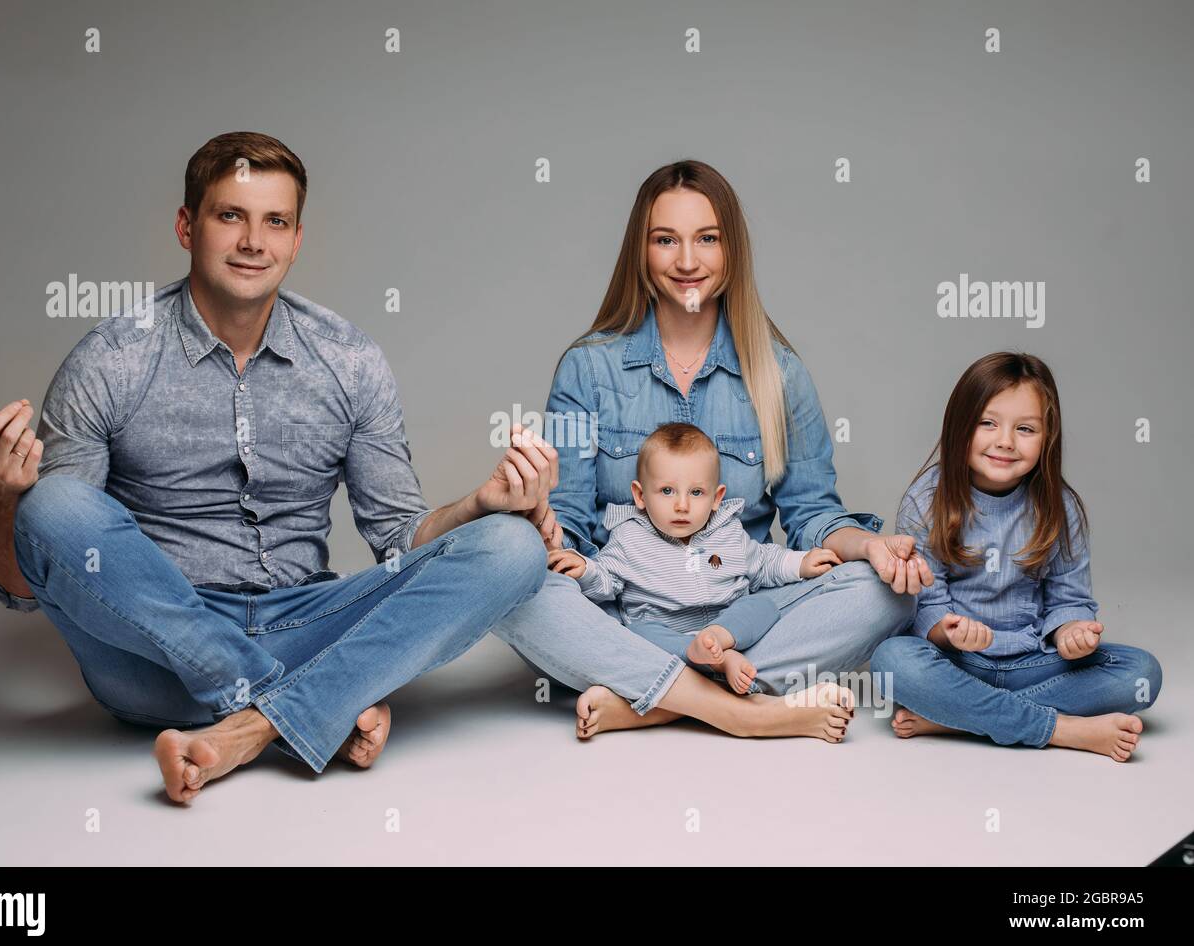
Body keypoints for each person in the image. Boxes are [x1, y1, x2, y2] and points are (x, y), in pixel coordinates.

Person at [0, 131, 557, 803]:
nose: (254, 241)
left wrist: (480, 506)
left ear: (297, 239)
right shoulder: (109, 360)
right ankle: (310, 707)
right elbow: (28, 582)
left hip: (309, 622)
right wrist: (2, 498)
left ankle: (249, 727)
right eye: (231, 216)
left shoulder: (350, 361)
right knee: (51, 507)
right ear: (187, 226)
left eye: (274, 221)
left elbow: (398, 542)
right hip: (157, 654)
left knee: (511, 548)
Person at [493, 159, 928, 741]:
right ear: (641, 252)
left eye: (707, 239)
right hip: (625, 612)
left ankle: (655, 698)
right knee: (507, 576)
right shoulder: (588, 368)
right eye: (666, 240)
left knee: (890, 594)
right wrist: (545, 537)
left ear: (733, 251)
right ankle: (736, 708)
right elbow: (569, 521)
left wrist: (871, 547)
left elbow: (812, 515)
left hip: (739, 617)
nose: (688, 261)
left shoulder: (779, 374)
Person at [871, 352, 1162, 760]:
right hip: (957, 664)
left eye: (1025, 429)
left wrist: (1071, 632)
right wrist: (947, 631)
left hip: (1034, 663)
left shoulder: (1060, 506)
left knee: (1142, 672)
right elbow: (923, 603)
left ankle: (958, 715)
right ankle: (1060, 728)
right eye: (988, 423)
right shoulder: (927, 500)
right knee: (890, 662)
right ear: (960, 426)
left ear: (1048, 438)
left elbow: (1070, 599)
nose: (1005, 441)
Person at [548, 422, 840, 693]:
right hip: (663, 629)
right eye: (666, 491)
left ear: (716, 498)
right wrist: (585, 568)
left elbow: (763, 562)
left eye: (697, 492)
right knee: (635, 634)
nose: (682, 505)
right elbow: (606, 580)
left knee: (762, 606)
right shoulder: (629, 537)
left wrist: (801, 563)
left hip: (725, 621)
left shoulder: (728, 533)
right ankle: (714, 659)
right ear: (639, 495)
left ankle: (718, 642)